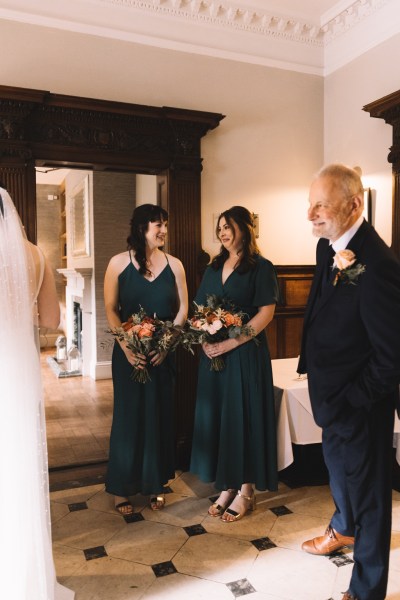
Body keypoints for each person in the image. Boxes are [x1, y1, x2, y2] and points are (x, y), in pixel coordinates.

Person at [298, 164, 400, 600]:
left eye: (321, 204)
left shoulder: (378, 264)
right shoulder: (330, 249)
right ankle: (342, 529)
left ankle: (366, 591)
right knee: (341, 478)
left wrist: (352, 401)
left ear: (354, 204)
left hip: (360, 406)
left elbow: (390, 355)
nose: (311, 214)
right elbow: (324, 313)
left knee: (373, 498)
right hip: (331, 397)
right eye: (311, 203)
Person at [0, 186, 74, 599]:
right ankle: (29, 578)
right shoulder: (36, 254)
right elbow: (50, 318)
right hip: (21, 366)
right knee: (20, 465)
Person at [190, 206, 279, 522]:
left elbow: (265, 313)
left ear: (245, 228)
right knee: (221, 420)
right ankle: (226, 486)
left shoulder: (261, 267)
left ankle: (246, 491)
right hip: (214, 357)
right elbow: (199, 309)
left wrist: (230, 341)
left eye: (228, 226)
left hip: (244, 354)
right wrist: (204, 338)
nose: (223, 233)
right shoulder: (214, 267)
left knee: (243, 418)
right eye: (219, 228)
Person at [104, 203, 188, 515]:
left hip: (161, 354)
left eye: (164, 223)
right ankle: (121, 488)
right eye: (157, 224)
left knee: (159, 418)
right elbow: (112, 309)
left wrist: (167, 345)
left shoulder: (175, 265)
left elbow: (182, 309)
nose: (163, 230)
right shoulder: (116, 264)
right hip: (128, 352)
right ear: (142, 228)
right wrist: (126, 347)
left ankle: (155, 484)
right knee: (128, 418)